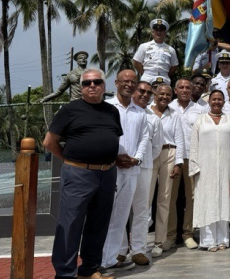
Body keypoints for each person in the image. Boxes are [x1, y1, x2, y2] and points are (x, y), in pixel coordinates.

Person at [44, 68, 125, 279]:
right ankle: (64, 274)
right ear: (81, 87)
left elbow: (112, 139)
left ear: (103, 86)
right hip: (78, 173)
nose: (92, 86)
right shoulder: (69, 110)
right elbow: (49, 142)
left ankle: (89, 269)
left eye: (97, 82)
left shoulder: (112, 111)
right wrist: (71, 161)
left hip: (107, 174)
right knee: (70, 224)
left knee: (98, 224)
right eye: (87, 83)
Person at [99, 70, 150, 271]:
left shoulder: (140, 112)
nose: (129, 84)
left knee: (121, 216)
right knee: (106, 214)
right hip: (110, 168)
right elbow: (102, 136)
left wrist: (136, 159)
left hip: (132, 170)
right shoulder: (107, 108)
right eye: (125, 81)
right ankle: (101, 259)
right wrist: (114, 156)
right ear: (117, 83)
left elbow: (144, 138)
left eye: (133, 82)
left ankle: (112, 258)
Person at [189, 89, 230, 251]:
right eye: (214, 99)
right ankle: (208, 241)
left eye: (220, 99)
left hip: (226, 167)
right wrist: (194, 166)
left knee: (223, 202)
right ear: (209, 101)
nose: (217, 102)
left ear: (223, 102)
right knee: (208, 202)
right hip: (205, 169)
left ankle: (223, 240)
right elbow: (194, 145)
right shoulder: (201, 120)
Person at [116, 81, 161, 266]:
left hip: (144, 168)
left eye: (149, 92)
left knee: (142, 210)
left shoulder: (153, 118)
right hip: (120, 165)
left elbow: (156, 147)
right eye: (141, 90)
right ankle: (119, 250)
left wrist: (141, 159)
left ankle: (139, 250)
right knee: (120, 210)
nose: (144, 95)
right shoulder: (117, 111)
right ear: (133, 91)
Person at [166, 78, 206, 250]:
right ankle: (169, 235)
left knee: (191, 197)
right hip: (172, 157)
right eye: (181, 87)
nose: (185, 90)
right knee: (170, 198)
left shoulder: (200, 109)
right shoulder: (168, 107)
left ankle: (188, 233)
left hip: (192, 155)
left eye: (188, 88)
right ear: (175, 90)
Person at [148, 84, 184, 257]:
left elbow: (179, 139)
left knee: (164, 199)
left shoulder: (174, 114)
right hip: (149, 155)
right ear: (155, 94)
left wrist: (178, 163)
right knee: (145, 200)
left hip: (169, 153)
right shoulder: (146, 111)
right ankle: (139, 243)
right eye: (161, 93)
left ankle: (159, 242)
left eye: (168, 94)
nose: (164, 97)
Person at [132, 19, 179, 85]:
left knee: (164, 95)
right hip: (147, 76)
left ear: (165, 33)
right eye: (156, 30)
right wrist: (144, 72)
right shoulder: (144, 46)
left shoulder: (171, 49)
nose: (158, 32)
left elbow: (174, 66)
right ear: (152, 32)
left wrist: (165, 74)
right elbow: (136, 61)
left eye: (161, 30)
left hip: (164, 77)